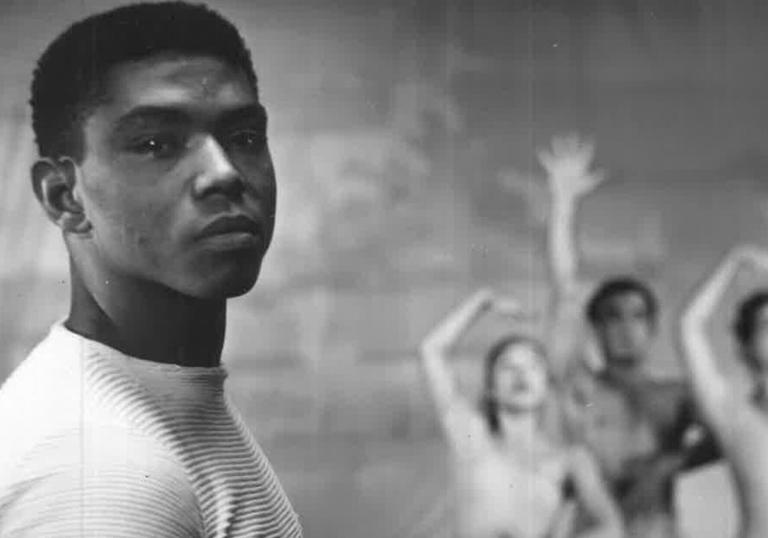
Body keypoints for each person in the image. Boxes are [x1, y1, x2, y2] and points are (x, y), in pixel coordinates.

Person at [0, 3, 302, 536]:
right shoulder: (97, 469)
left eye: (245, 137)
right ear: (64, 197)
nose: (224, 173)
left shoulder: (158, 405)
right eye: (155, 144)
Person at [537, 135, 710, 537]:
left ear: (651, 328)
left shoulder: (677, 396)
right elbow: (564, 290)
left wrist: (671, 463)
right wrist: (563, 204)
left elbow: (736, 433)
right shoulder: (580, 384)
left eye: (636, 317)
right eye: (612, 317)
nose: (626, 328)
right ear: (595, 328)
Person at [420, 289, 624, 538]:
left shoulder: (570, 459)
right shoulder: (471, 438)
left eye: (533, 367)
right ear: (491, 389)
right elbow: (431, 350)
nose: (521, 375)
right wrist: (482, 302)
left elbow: (611, 527)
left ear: (546, 387)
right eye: (508, 367)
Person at [680, 245, 768, 538]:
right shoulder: (731, 415)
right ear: (744, 346)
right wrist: (732, 261)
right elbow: (689, 326)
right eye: (767, 326)